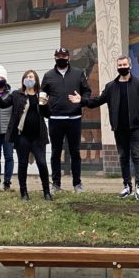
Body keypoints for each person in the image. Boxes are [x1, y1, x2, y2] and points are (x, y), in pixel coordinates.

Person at [73, 55, 139, 201]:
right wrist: (82, 101)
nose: (122, 67)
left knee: (137, 156)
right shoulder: (111, 87)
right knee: (123, 157)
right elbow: (96, 101)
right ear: (117, 67)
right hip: (119, 128)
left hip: (136, 128)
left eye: (124, 65)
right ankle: (127, 186)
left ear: (130, 66)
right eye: (120, 65)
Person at [0, 69, 53, 201]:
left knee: (42, 163)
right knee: (23, 164)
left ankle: (47, 192)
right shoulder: (17, 95)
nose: (29, 79)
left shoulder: (40, 95)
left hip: (38, 136)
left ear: (36, 80)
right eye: (26, 77)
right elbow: (2, 104)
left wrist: (45, 103)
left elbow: (48, 114)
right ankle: (23, 192)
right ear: (23, 80)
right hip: (22, 137)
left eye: (31, 77)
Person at [41, 47, 91, 193]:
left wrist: (82, 100)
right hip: (55, 119)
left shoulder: (78, 73)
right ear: (54, 58)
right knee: (56, 152)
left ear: (68, 57)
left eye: (63, 55)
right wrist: (46, 111)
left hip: (74, 118)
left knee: (75, 152)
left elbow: (87, 90)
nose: (61, 58)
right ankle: (56, 184)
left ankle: (77, 183)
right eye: (58, 56)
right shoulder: (48, 75)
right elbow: (42, 95)